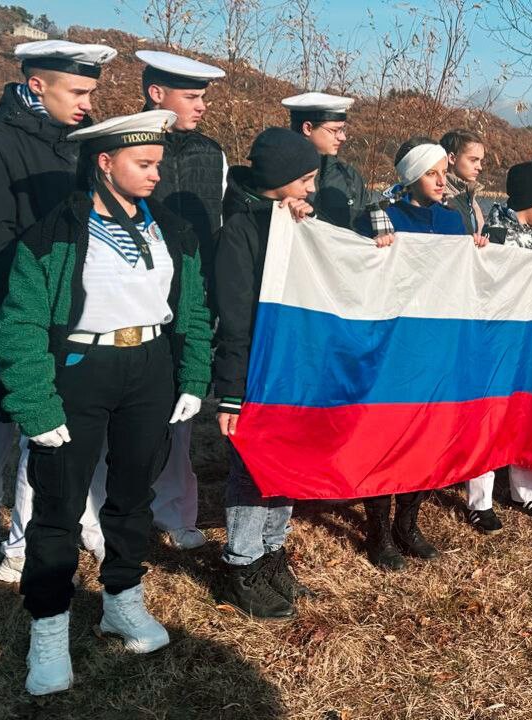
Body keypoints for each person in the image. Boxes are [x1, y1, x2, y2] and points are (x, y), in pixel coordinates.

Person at [0, 109, 213, 695]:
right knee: (58, 506)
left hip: (149, 371)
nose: (155, 176)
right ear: (104, 163)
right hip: (80, 372)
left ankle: (121, 599)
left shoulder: (172, 230)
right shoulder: (55, 234)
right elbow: (20, 324)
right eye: (143, 165)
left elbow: (189, 306)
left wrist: (191, 377)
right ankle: (49, 626)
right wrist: (37, 405)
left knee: (132, 495)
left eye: (158, 165)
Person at [0, 40, 116, 599]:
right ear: (37, 84)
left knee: (50, 443)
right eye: (78, 91)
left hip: (61, 325)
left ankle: (26, 546)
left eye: (91, 92)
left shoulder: (81, 146)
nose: (87, 102)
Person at [357, 139, 488, 560]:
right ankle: (377, 532)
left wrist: (479, 253)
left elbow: (463, 278)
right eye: (430, 174)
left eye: (441, 173)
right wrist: (373, 248)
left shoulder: (452, 222)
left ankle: (407, 524)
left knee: (425, 436)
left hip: (437, 344)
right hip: (395, 346)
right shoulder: (385, 219)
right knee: (387, 436)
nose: (439, 181)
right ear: (411, 177)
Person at [213, 128, 323, 620]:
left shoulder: (294, 220)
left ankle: (273, 550)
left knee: (286, 461)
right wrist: (231, 394)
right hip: (257, 369)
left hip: (294, 368)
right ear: (278, 180)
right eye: (305, 180)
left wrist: (304, 227)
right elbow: (234, 319)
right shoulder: (240, 230)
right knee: (252, 467)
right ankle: (242, 562)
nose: (312, 190)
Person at [137, 49, 227, 552]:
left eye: (202, 97)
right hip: (135, 295)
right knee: (120, 410)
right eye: (191, 97)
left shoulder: (212, 153)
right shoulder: (124, 143)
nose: (201, 106)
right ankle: (103, 509)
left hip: (191, 298)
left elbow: (218, 225)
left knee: (183, 407)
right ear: (156, 94)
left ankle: (174, 510)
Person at [479, 162, 532, 516]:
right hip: (498, 341)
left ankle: (528, 491)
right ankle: (479, 500)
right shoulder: (495, 235)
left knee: (526, 412)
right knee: (489, 416)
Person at [282, 92, 391, 239]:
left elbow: (360, 225)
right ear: (307, 128)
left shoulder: (348, 176)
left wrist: (380, 234)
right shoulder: (279, 175)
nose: (343, 137)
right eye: (334, 130)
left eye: (342, 130)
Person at [439, 128, 485, 235]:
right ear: (452, 158)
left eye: (480, 161)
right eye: (473, 160)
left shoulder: (469, 196)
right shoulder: (440, 197)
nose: (480, 167)